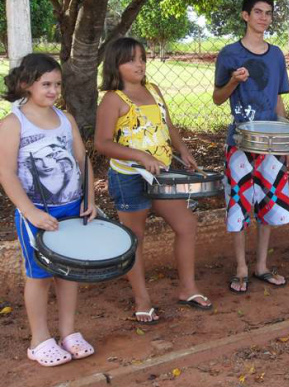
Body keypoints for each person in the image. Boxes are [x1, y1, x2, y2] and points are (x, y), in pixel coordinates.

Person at [95, 37, 211, 323]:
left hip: (162, 175)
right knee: (136, 238)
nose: (139, 64)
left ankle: (187, 288)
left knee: (186, 224)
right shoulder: (113, 99)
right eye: (131, 59)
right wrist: (138, 155)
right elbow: (102, 143)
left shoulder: (154, 90)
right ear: (115, 65)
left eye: (142, 58)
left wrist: (183, 152)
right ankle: (142, 298)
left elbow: (167, 125)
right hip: (129, 177)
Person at [0, 53, 96, 366]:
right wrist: (30, 212)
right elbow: (6, 174)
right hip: (38, 215)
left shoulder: (65, 119)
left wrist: (88, 199)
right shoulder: (13, 124)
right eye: (46, 84)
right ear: (26, 84)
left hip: (71, 208)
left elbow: (83, 160)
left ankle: (68, 332)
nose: (54, 90)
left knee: (69, 273)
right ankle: (39, 339)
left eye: (57, 84)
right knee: (39, 276)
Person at [213, 0, 289, 293]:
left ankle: (260, 265)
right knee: (238, 205)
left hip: (271, 144)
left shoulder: (276, 56)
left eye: (268, 13)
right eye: (258, 12)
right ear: (245, 16)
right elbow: (218, 98)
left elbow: (277, 101)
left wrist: (285, 143)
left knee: (268, 204)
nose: (264, 18)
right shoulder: (229, 54)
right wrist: (234, 81)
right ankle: (241, 268)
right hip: (239, 143)